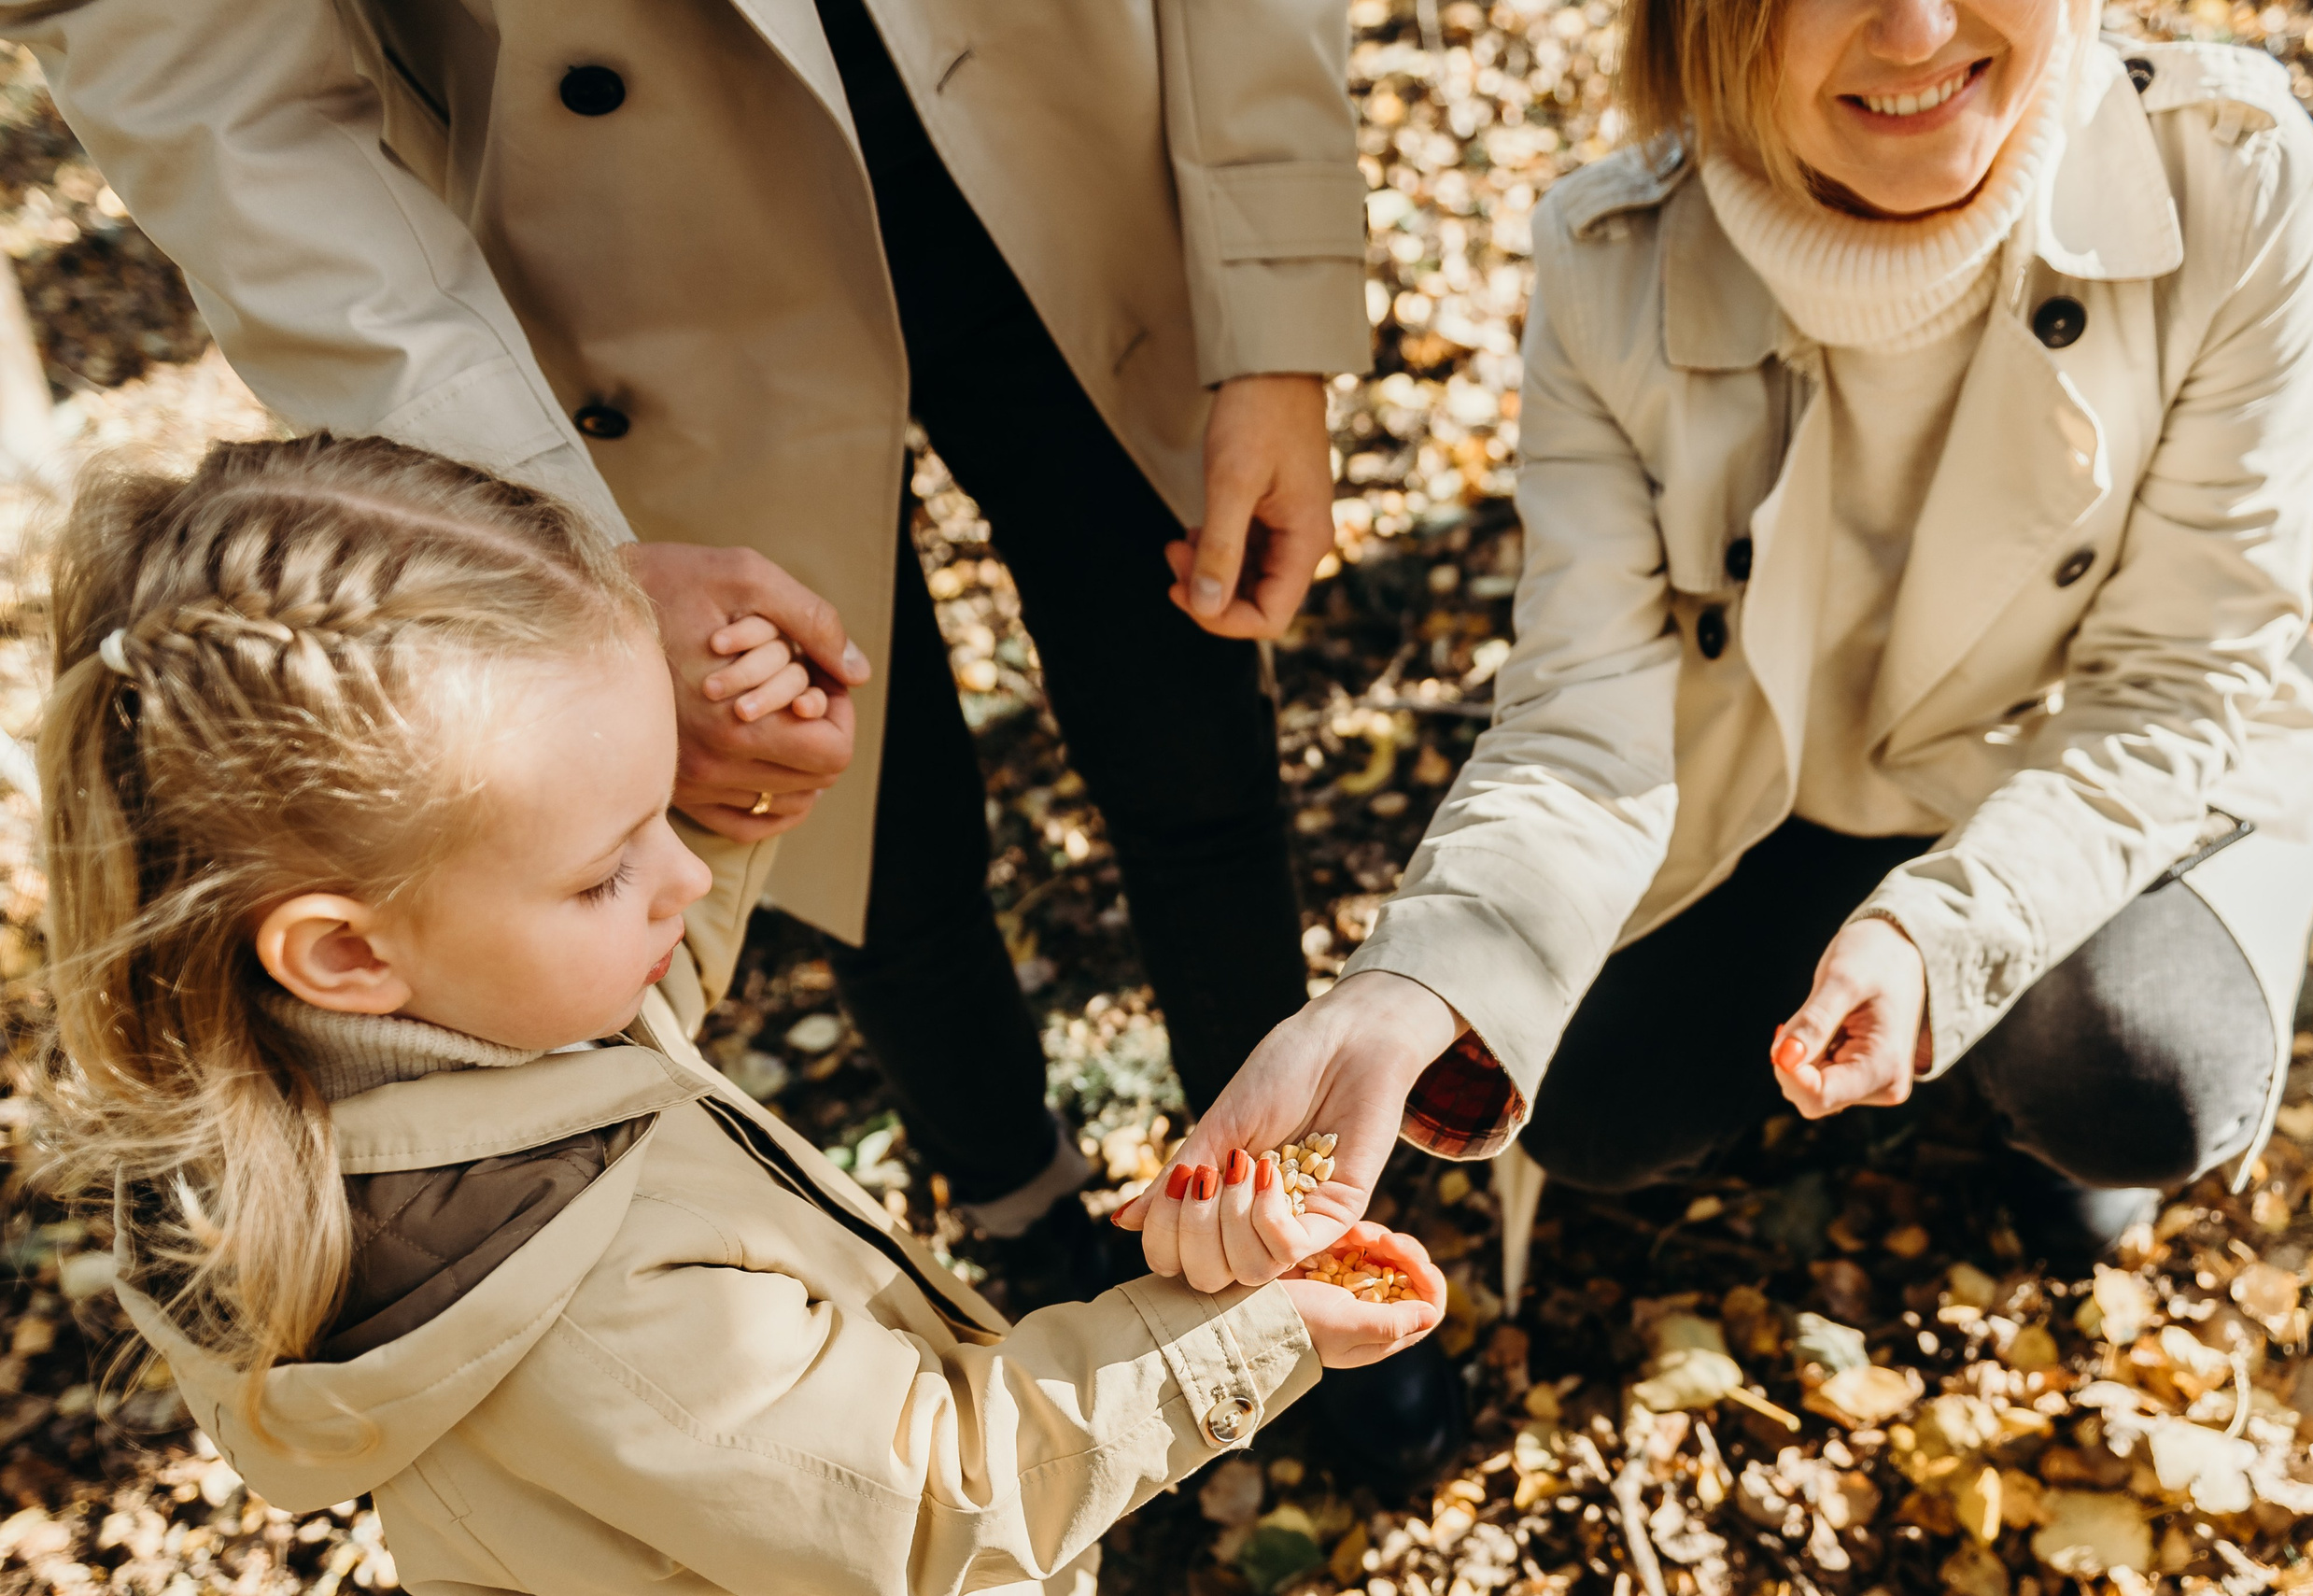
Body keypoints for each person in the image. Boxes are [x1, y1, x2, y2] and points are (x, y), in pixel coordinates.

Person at [2, 0, 1370, 1297]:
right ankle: (1021, 1213)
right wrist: (549, 557)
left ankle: (1286, 1204)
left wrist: (1271, 303)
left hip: (1078, 155)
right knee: (847, 826)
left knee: (1191, 742)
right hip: (628, 276)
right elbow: (210, 81)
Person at [27, 433, 1444, 1595]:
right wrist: (1261, 1328)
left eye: (662, 813)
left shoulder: (365, 1072)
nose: (688, 877)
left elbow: (608, 1041)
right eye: (609, 867)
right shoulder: (590, 1310)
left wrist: (724, 784)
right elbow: (944, 1500)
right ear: (344, 952)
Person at [1124, 0, 2313, 1290]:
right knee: (1584, 1099)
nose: (1919, 28)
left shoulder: (2224, 176)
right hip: (1772, 784)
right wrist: (1407, 986)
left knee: (2136, 1075)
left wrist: (1943, 942)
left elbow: (2174, 677)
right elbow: (1582, 711)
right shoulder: (1613, 261)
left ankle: (2038, 1108)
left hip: (2077, 767)